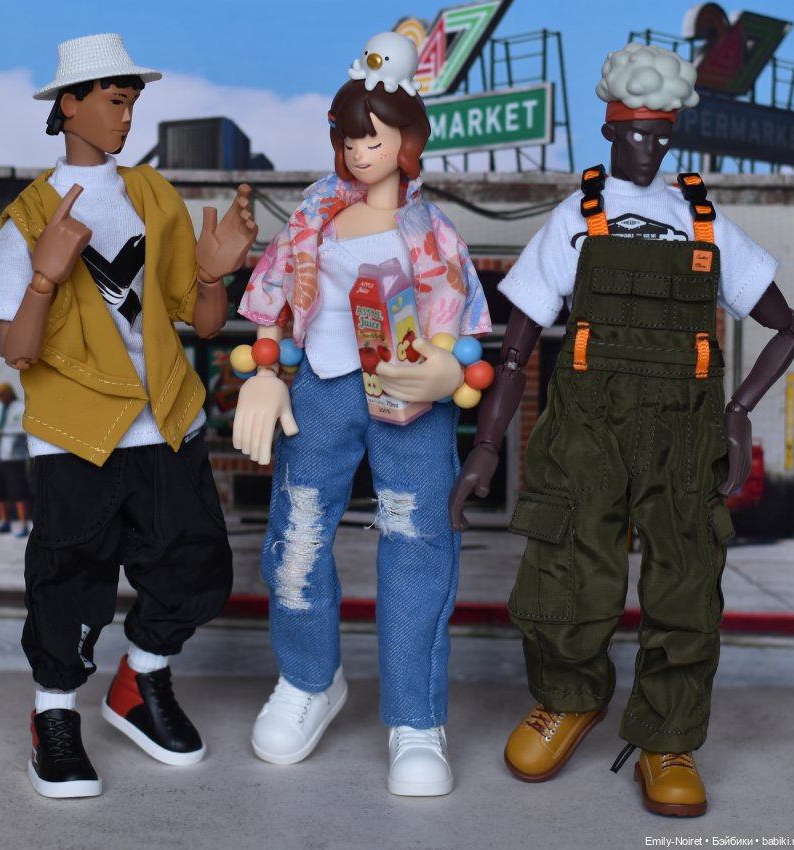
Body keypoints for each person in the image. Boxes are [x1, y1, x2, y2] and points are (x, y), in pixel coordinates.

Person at [449, 42, 794, 817]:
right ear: (610, 129)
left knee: (686, 584)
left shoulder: (703, 221)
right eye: (637, 131)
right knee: (569, 569)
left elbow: (786, 327)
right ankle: (569, 698)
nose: (650, 147)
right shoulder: (576, 219)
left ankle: (667, 737)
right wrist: (484, 446)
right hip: (588, 429)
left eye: (662, 134)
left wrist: (737, 411)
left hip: (685, 432)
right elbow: (515, 349)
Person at [0, 33, 257, 799]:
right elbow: (17, 351)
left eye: (132, 102)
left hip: (166, 420)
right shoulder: (30, 216)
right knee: (70, 578)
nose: (126, 116)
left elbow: (201, 323)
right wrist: (44, 278)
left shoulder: (153, 195)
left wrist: (213, 277)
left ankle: (142, 680)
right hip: (77, 435)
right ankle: (54, 714)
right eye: (112, 100)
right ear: (68, 106)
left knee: (193, 564)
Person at [233, 32, 490, 796]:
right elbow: (274, 302)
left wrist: (448, 369)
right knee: (297, 540)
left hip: (411, 399)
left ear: (409, 141)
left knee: (416, 548)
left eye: (373, 138)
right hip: (323, 385)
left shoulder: (433, 231)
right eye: (348, 138)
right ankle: (308, 679)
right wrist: (266, 374)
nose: (358, 151)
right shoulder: (313, 216)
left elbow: (464, 324)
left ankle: (416, 717)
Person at [0, 383, 32, 536]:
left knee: (19, 492)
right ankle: (4, 522)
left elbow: (24, 429)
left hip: (14, 458)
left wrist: (1, 432)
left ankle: (23, 525)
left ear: (9, 393)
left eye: (2, 395)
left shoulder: (20, 408)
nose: (0, 399)